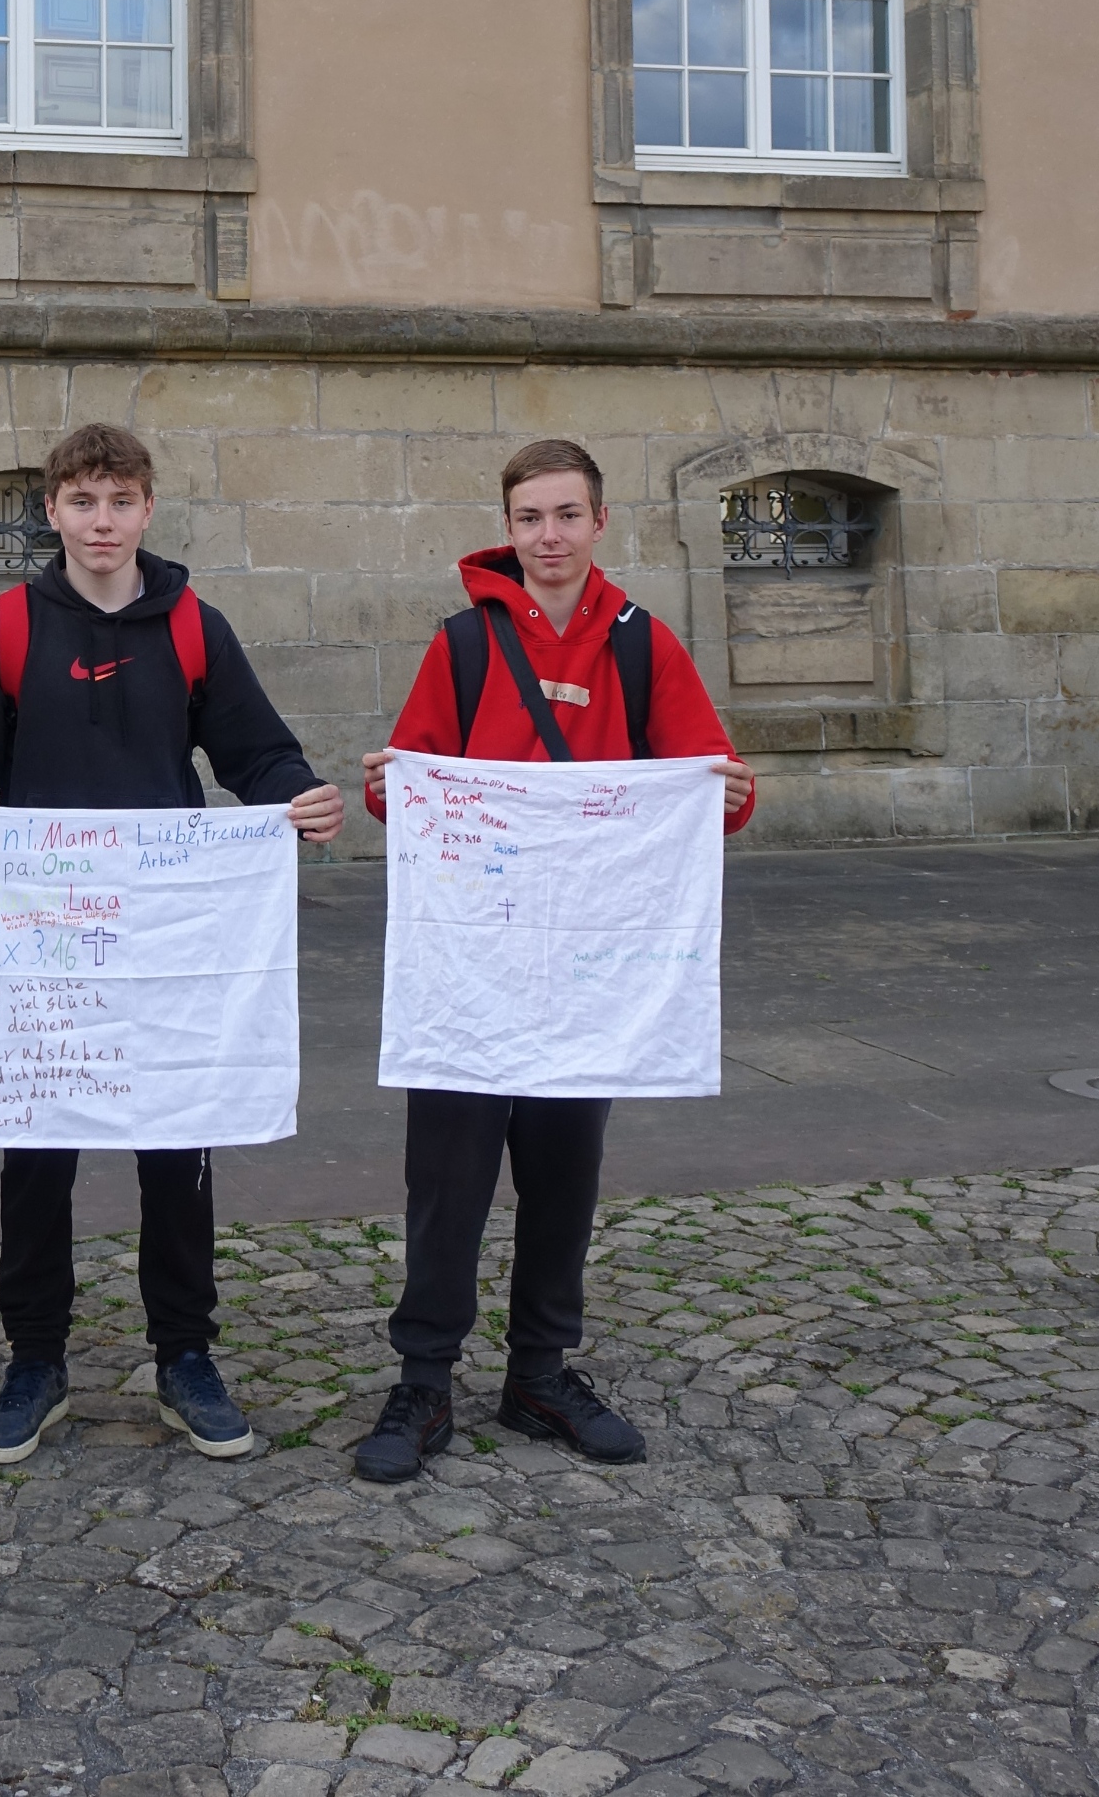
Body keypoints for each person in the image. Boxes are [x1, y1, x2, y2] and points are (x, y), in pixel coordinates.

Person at [0, 420, 346, 1468]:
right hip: (47, 933)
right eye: (81, 502)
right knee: (38, 1150)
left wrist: (298, 798)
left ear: (147, 509)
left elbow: (257, 748)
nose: (100, 521)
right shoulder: (12, 626)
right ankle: (35, 1358)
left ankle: (185, 1353)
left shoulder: (193, 624)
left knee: (177, 1145)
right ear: (53, 512)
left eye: (119, 502)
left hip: (168, 930)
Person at [352, 435, 755, 1486]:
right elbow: (406, 785)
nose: (548, 537)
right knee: (449, 1176)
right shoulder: (465, 646)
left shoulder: (641, 646)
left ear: (599, 522)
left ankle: (540, 1372)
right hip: (473, 962)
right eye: (529, 518)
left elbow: (704, 784)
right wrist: (392, 785)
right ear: (509, 527)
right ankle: (425, 1376)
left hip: (589, 966)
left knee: (563, 1175)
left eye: (566, 515)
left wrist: (729, 798)